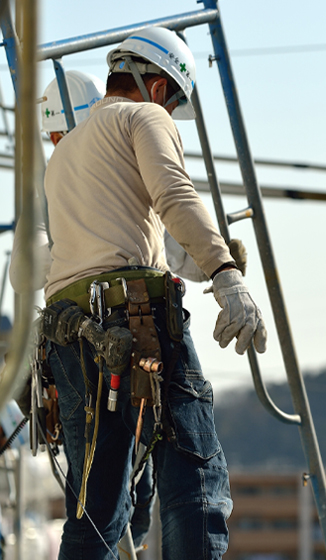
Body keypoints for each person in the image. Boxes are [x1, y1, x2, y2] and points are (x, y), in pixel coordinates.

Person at [31, 26, 267, 559]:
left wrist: (207, 258)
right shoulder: (145, 117)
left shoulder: (63, 159)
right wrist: (227, 273)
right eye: (173, 99)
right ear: (157, 86)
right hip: (135, 320)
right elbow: (174, 195)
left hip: (72, 334)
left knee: (97, 512)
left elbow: (125, 237)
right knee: (193, 480)